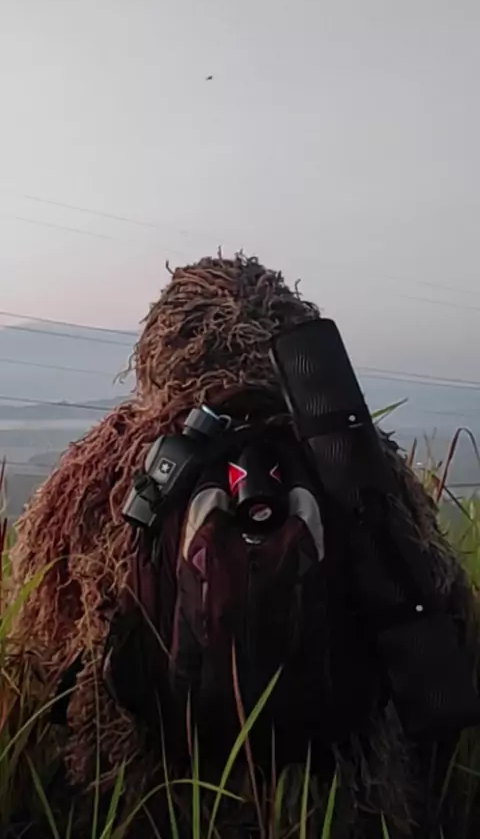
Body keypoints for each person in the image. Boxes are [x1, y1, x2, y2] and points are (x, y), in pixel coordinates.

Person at [8, 254, 480, 838]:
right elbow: (439, 598)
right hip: (335, 787)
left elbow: (44, 632)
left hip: (151, 786)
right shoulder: (354, 457)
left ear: (161, 350)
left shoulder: (113, 459)